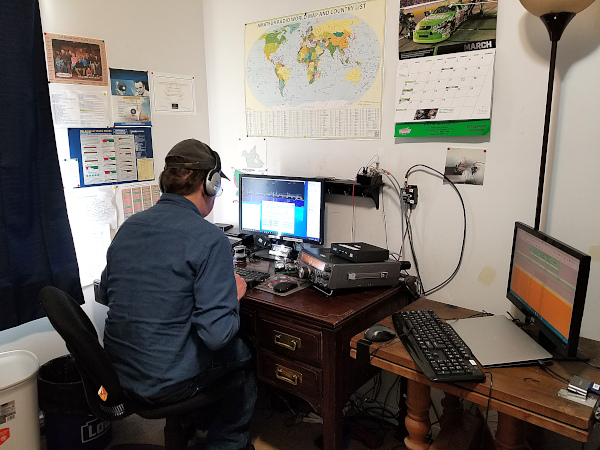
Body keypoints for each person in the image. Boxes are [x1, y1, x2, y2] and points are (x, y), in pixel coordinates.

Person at [98, 139, 256, 450]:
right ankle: (227, 443)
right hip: (165, 381)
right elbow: (216, 336)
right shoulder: (211, 240)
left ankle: (195, 425)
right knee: (244, 353)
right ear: (210, 184)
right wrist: (230, 296)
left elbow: (106, 293)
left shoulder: (130, 226)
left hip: (118, 370)